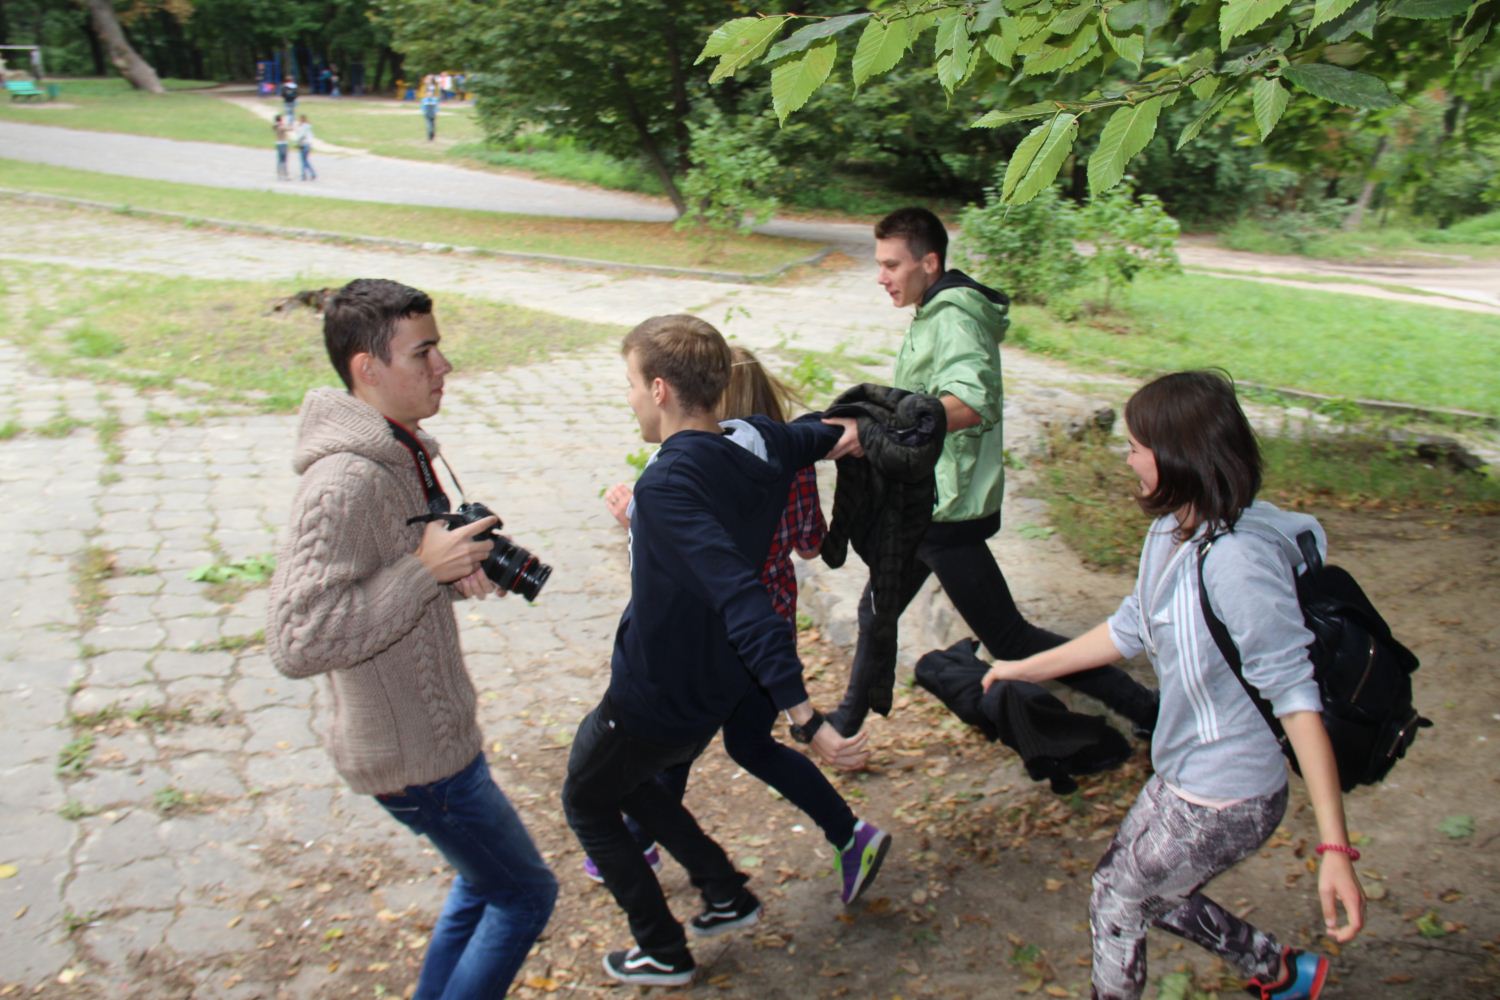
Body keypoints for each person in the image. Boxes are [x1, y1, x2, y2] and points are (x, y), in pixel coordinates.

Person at [981, 370, 1365, 1000]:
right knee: (1145, 890)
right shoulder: (1172, 531)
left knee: (1117, 900)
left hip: (1229, 794)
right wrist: (1024, 667)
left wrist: (1334, 849)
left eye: (1136, 447)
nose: (1127, 458)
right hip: (1182, 771)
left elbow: (1297, 703)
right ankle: (1281, 972)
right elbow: (1131, 626)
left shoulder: (1238, 564)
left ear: (1179, 457)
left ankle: (1277, 971)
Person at [267, 279, 557, 999]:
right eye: (423, 352)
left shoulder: (400, 450)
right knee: (526, 895)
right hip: (416, 759)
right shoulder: (345, 482)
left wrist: (446, 573)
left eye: (439, 348)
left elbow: (384, 571)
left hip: (435, 741)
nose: (443, 365)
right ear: (367, 369)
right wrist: (422, 571)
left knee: (483, 883)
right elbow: (298, 640)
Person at [562, 316, 874, 987]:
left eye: (631, 383)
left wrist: (806, 719)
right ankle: (724, 890)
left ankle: (661, 948)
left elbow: (743, 600)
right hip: (713, 691)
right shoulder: (762, 441)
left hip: (654, 696)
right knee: (632, 783)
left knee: (586, 799)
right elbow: (827, 432)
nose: (629, 397)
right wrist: (870, 425)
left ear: (661, 389)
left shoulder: (666, 486)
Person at [830, 206, 1156, 738]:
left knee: (1009, 638)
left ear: (929, 263)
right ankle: (846, 722)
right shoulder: (933, 311)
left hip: (947, 510)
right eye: (879, 264)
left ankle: (1148, 710)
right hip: (926, 502)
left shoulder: (954, 318)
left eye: (891, 265)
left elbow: (970, 404)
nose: (881, 276)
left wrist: (880, 431)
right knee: (877, 611)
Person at [295, 115, 317, 181]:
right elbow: (311, 136)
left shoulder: (303, 127)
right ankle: (310, 173)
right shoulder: (308, 127)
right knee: (305, 160)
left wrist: (297, 141)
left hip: (303, 144)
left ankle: (305, 174)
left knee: (303, 161)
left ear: (301, 120)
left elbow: (300, 136)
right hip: (308, 145)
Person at [271, 114, 291, 181]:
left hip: (279, 144)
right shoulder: (280, 126)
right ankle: (284, 175)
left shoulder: (276, 125)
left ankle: (279, 174)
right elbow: (289, 129)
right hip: (283, 144)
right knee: (283, 160)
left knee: (280, 160)